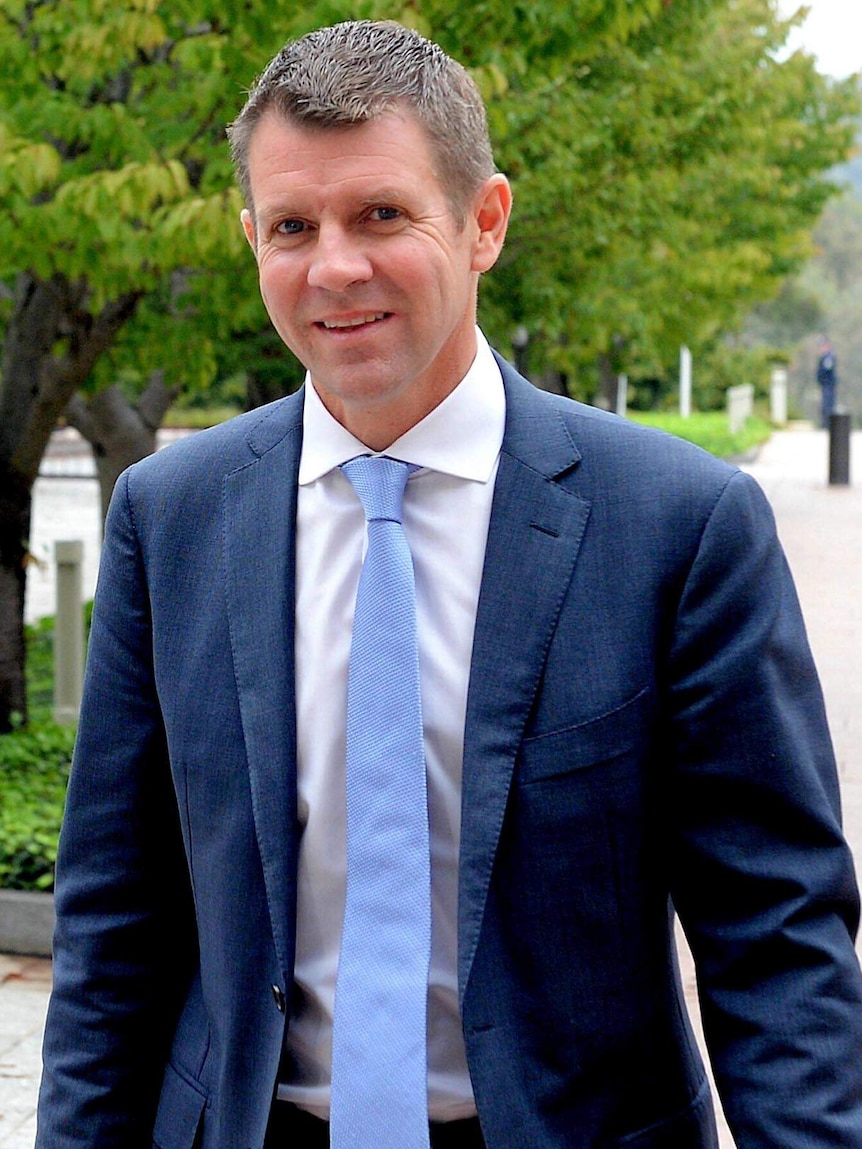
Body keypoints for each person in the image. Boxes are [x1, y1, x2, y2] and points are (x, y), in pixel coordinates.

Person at [37, 20, 862, 1149]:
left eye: (381, 214)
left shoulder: (677, 525)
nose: (334, 266)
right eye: (292, 226)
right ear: (251, 240)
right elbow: (114, 927)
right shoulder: (170, 518)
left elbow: (775, 936)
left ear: (484, 222)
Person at [817, 336, 839, 428]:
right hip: (825, 384)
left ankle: (828, 424)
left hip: (828, 384)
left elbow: (826, 370)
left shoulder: (828, 357)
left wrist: (821, 378)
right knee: (826, 404)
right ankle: (826, 423)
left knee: (828, 404)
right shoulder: (825, 356)